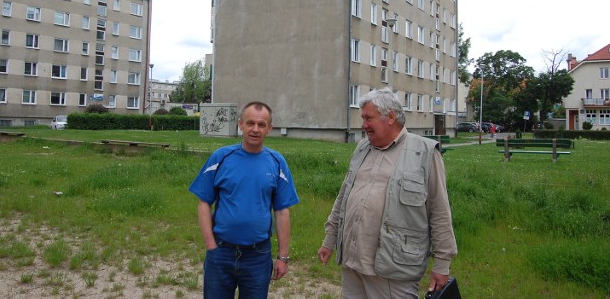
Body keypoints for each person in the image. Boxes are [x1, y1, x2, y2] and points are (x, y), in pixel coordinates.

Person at [317, 88, 457, 299]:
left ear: (390, 117)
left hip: (394, 269)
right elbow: (344, 196)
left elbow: (439, 211)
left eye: (368, 118)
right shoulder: (362, 148)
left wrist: (442, 263)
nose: (363, 125)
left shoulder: (425, 152)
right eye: (362, 118)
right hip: (353, 262)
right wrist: (330, 239)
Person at [189, 101, 300, 299]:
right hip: (221, 252)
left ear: (269, 128)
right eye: (250, 123)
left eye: (261, 124)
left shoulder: (277, 162)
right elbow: (204, 202)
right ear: (240, 124)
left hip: (258, 256)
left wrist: (283, 257)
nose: (255, 129)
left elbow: (282, 211)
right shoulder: (221, 158)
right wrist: (210, 245)